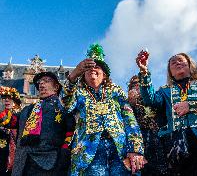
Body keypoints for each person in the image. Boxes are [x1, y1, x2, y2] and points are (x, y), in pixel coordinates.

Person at [136, 51, 197, 175]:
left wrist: (193, 103)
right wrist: (144, 72)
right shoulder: (165, 91)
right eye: (173, 62)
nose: (177, 62)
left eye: (181, 60)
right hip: (181, 149)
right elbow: (150, 100)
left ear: (190, 65)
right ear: (170, 72)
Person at [62, 44, 145, 176]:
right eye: (88, 68)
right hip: (88, 152)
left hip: (119, 149)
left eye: (97, 66)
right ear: (83, 75)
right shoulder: (78, 92)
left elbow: (130, 119)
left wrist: (136, 149)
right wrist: (73, 76)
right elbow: (65, 105)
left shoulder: (116, 91)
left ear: (105, 74)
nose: (93, 69)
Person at [0, 71, 75, 176]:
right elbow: (7, 120)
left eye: (47, 81)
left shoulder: (64, 109)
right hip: (24, 162)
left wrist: (62, 159)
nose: (41, 84)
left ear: (56, 87)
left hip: (50, 164)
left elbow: (70, 135)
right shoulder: (28, 110)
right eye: (40, 82)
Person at [128, 76, 169, 175]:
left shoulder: (155, 97)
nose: (137, 87)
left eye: (139, 84)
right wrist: (131, 103)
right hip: (142, 141)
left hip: (161, 138)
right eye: (134, 85)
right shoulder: (128, 104)